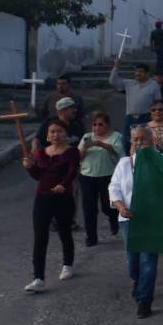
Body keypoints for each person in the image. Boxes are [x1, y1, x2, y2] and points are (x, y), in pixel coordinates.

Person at [108, 125, 161, 318]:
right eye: (135, 140)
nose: (139, 143)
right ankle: (138, 282)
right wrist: (121, 207)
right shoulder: (124, 164)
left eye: (143, 139)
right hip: (128, 220)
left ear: (152, 140)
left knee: (148, 260)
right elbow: (114, 188)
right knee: (133, 263)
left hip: (152, 220)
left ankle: (144, 301)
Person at [23, 119, 80, 293]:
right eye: (52, 132)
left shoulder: (72, 152)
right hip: (43, 197)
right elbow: (38, 175)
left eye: (59, 131)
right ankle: (38, 278)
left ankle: (67, 264)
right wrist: (30, 167)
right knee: (40, 237)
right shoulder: (41, 153)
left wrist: (63, 184)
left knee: (64, 232)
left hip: (63, 197)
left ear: (66, 134)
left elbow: (72, 171)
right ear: (47, 135)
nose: (56, 135)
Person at [77, 112, 124, 247]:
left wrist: (102, 144)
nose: (97, 128)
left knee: (107, 206)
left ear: (107, 125)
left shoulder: (116, 137)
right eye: (94, 124)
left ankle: (113, 218)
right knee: (89, 208)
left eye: (100, 124)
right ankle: (91, 237)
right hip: (87, 176)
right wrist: (85, 148)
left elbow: (119, 154)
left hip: (107, 176)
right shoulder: (86, 137)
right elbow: (78, 157)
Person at [113, 63, 162, 153]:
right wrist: (116, 66)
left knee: (145, 142)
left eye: (141, 71)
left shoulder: (154, 85)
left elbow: (157, 102)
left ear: (147, 73)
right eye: (136, 71)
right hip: (130, 118)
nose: (138, 73)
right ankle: (129, 162)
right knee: (126, 142)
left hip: (146, 118)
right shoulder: (129, 83)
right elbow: (112, 81)